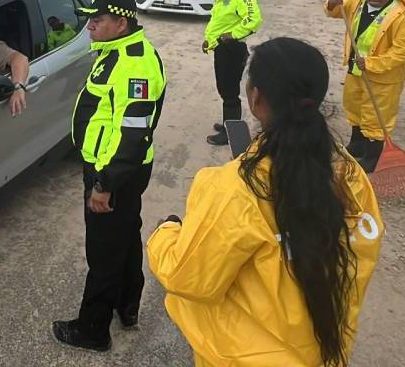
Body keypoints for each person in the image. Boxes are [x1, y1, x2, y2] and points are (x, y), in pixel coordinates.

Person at [148, 37, 383, 367]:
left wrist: (166, 233)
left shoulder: (237, 188)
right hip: (325, 353)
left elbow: (189, 278)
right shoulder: (352, 177)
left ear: (254, 97)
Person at [52, 0, 166, 352]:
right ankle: (127, 305)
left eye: (97, 20)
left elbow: (132, 137)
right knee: (125, 235)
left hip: (115, 172)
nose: (89, 26)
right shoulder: (114, 52)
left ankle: (92, 330)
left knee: (103, 251)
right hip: (113, 169)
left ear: (121, 22)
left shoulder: (135, 64)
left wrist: (103, 184)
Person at [325, 0, 405, 172]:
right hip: (356, 70)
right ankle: (357, 145)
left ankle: (371, 158)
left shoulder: (400, 15)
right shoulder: (358, 0)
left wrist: (372, 63)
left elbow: (403, 50)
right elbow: (335, 12)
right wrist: (332, 3)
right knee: (355, 108)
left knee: (375, 117)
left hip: (383, 77)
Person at [202, 0, 262, 146]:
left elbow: (254, 20)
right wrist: (209, 40)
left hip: (232, 49)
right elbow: (219, 22)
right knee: (224, 90)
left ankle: (229, 134)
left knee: (229, 92)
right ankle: (228, 124)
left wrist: (233, 35)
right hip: (221, 48)